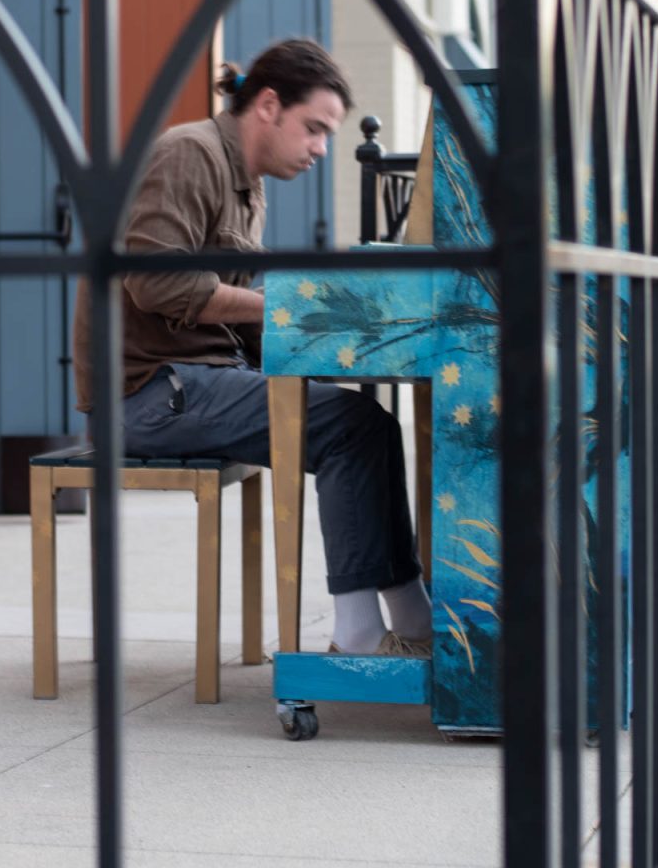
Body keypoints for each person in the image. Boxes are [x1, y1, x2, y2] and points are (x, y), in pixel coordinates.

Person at [73, 38, 431, 657]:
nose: (322, 149)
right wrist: (285, 308)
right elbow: (157, 283)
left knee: (367, 423)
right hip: (149, 394)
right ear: (269, 105)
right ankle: (360, 637)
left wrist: (338, 332)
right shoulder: (189, 154)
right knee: (348, 427)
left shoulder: (248, 183)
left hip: (193, 382)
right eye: (314, 129)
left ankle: (415, 621)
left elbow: (236, 316)